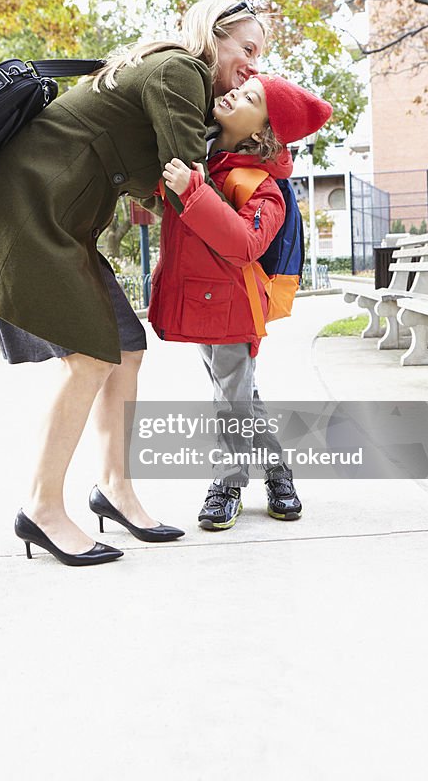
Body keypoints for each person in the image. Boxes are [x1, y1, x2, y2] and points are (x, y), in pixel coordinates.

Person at [0, 0, 266, 566]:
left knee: (126, 348)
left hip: (60, 220)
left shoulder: (166, 70)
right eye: (248, 48)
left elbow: (154, 183)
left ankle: (115, 488)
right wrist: (241, 134)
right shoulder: (180, 68)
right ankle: (41, 508)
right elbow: (187, 180)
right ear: (215, 34)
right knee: (89, 358)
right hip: (30, 214)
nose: (254, 64)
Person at [148, 73, 332, 530]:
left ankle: (227, 482)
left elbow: (245, 245)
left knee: (229, 399)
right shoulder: (205, 160)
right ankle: (279, 472)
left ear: (261, 132)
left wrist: (193, 191)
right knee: (241, 395)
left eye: (250, 97)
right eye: (239, 88)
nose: (233, 93)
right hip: (200, 301)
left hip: (234, 309)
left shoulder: (263, 187)